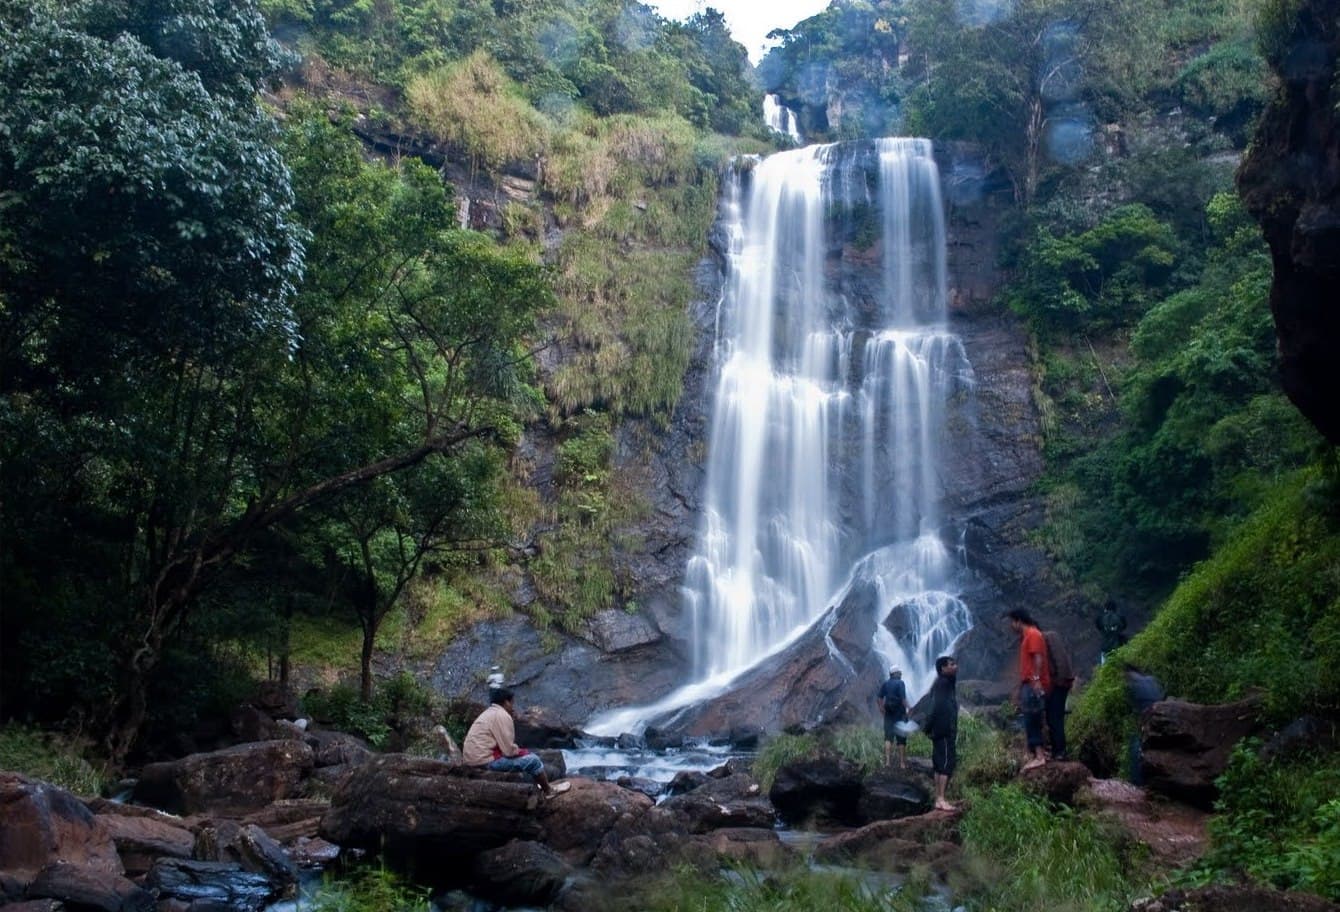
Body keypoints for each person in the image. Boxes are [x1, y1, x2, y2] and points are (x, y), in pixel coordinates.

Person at [462, 687, 570, 797]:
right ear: (506, 702)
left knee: (526, 757)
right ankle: (549, 791)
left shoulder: (488, 713)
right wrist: (523, 752)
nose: (512, 707)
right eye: (512, 703)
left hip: (472, 760)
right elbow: (508, 751)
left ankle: (537, 786)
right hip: (486, 762)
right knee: (533, 760)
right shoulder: (502, 715)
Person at [1005, 609, 1050, 771]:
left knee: (1032, 718)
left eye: (1011, 622)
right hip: (1028, 683)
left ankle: (1039, 756)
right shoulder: (1027, 636)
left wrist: (1036, 679)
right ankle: (1040, 752)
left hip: (1033, 684)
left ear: (1018, 621)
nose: (1010, 626)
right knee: (1032, 717)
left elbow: (1038, 657)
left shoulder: (1033, 634)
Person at [925, 655, 959, 811]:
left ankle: (938, 799)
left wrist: (929, 727)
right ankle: (941, 799)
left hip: (939, 729)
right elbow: (937, 707)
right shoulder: (944, 684)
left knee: (939, 764)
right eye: (951, 664)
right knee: (946, 764)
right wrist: (929, 726)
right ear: (943, 668)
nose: (955, 666)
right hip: (944, 729)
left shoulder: (940, 683)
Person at [1123, 664, 1165, 786]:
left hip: (1149, 719)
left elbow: (1133, 708)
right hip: (1162, 716)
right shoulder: (1152, 680)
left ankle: (1137, 784)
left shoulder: (1132, 684)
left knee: (1135, 746)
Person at [1041, 628, 1076, 761]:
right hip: (1057, 683)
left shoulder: (1050, 637)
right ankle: (1056, 749)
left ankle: (1060, 751)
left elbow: (1060, 660)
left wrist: (1061, 680)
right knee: (1052, 717)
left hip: (1059, 684)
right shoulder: (1047, 638)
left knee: (1055, 718)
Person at [876, 667, 911, 768]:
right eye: (899, 672)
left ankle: (887, 762)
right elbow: (903, 699)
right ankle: (902, 763)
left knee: (888, 738)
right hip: (900, 714)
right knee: (901, 739)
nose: (901, 674)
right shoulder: (900, 683)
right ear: (895, 673)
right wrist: (910, 708)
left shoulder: (885, 683)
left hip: (889, 714)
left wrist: (881, 709)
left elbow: (879, 698)